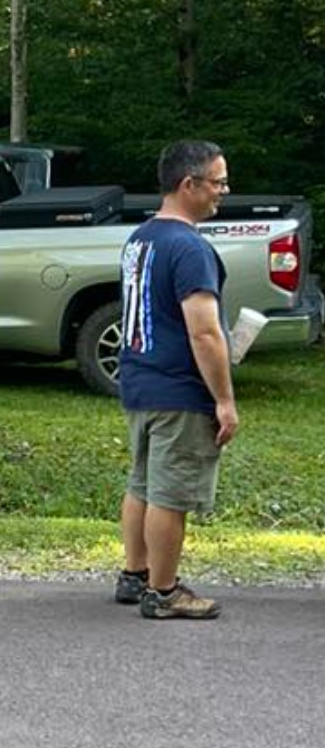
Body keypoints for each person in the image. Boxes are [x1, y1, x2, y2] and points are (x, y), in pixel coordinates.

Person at [114, 140, 237, 620]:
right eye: (217, 181)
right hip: (180, 389)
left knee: (142, 484)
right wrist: (224, 399)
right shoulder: (189, 247)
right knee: (171, 494)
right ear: (189, 184)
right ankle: (164, 592)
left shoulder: (141, 238)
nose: (222, 192)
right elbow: (204, 332)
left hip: (141, 382)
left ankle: (135, 573)